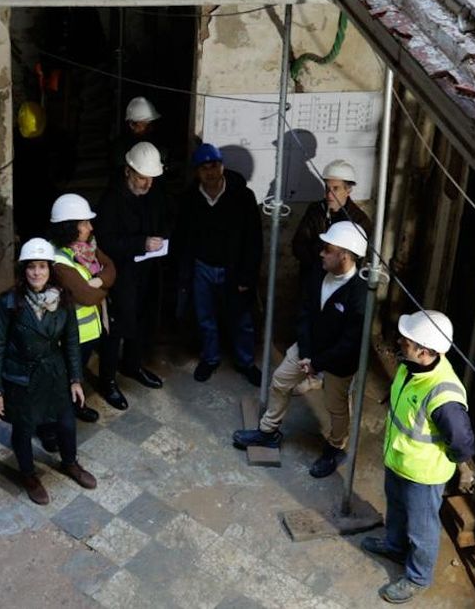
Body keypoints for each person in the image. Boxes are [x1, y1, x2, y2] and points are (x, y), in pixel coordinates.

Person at [232, 220, 367, 480]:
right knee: (281, 381)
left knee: (335, 407)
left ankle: (335, 447)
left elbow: (350, 342)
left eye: (328, 249)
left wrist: (317, 364)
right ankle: (268, 432)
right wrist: (306, 353)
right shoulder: (319, 272)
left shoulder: (360, 292)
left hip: (338, 361)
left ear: (345, 255)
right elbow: (304, 312)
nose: (321, 253)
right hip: (308, 349)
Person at [360, 311, 474, 604]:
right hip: (398, 461)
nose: (399, 341)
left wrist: (446, 460)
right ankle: (395, 546)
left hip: (423, 475)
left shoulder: (443, 394)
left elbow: (462, 443)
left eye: (407, 340)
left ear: (425, 351)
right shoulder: (410, 366)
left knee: (422, 529)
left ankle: (418, 577)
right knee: (396, 510)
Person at [0, 238, 99, 505]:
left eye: (42, 267)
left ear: (50, 269)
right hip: (21, 375)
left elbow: (71, 341)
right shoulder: (9, 303)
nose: (37, 272)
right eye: (31, 267)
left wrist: (75, 379)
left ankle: (70, 463)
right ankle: (29, 476)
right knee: (24, 427)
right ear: (23, 270)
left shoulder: (63, 299)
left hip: (54, 372)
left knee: (66, 421)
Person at [172, 142, 263, 385]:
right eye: (204, 168)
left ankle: (245, 361)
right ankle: (210, 358)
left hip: (233, 268)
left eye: (215, 166)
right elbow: (181, 237)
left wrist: (248, 276)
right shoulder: (190, 199)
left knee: (241, 318)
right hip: (202, 267)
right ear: (196, 172)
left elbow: (254, 240)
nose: (210, 173)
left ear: (222, 167)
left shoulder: (242, 196)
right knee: (205, 317)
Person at [95, 141, 170, 395]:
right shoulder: (110, 201)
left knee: (141, 319)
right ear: (128, 171)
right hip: (121, 273)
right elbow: (106, 241)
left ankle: (132, 365)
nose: (147, 184)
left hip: (146, 271)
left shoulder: (153, 194)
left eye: (151, 179)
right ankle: (107, 380)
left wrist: (160, 237)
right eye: (142, 178)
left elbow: (162, 218)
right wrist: (141, 243)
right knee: (114, 328)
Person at [45, 193, 118, 421]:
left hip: (88, 331)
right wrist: (103, 286)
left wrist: (97, 282)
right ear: (69, 227)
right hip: (71, 334)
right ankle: (56, 419)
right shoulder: (58, 260)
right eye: (84, 223)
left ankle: (76, 406)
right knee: (67, 377)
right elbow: (86, 296)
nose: (90, 227)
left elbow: (111, 268)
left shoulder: (87, 248)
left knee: (76, 376)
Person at [290, 159, 372, 313]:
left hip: (340, 290)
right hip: (311, 282)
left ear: (348, 190)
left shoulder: (360, 221)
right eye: (327, 188)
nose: (329, 194)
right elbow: (299, 244)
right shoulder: (316, 210)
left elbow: (357, 261)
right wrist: (319, 267)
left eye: (335, 188)